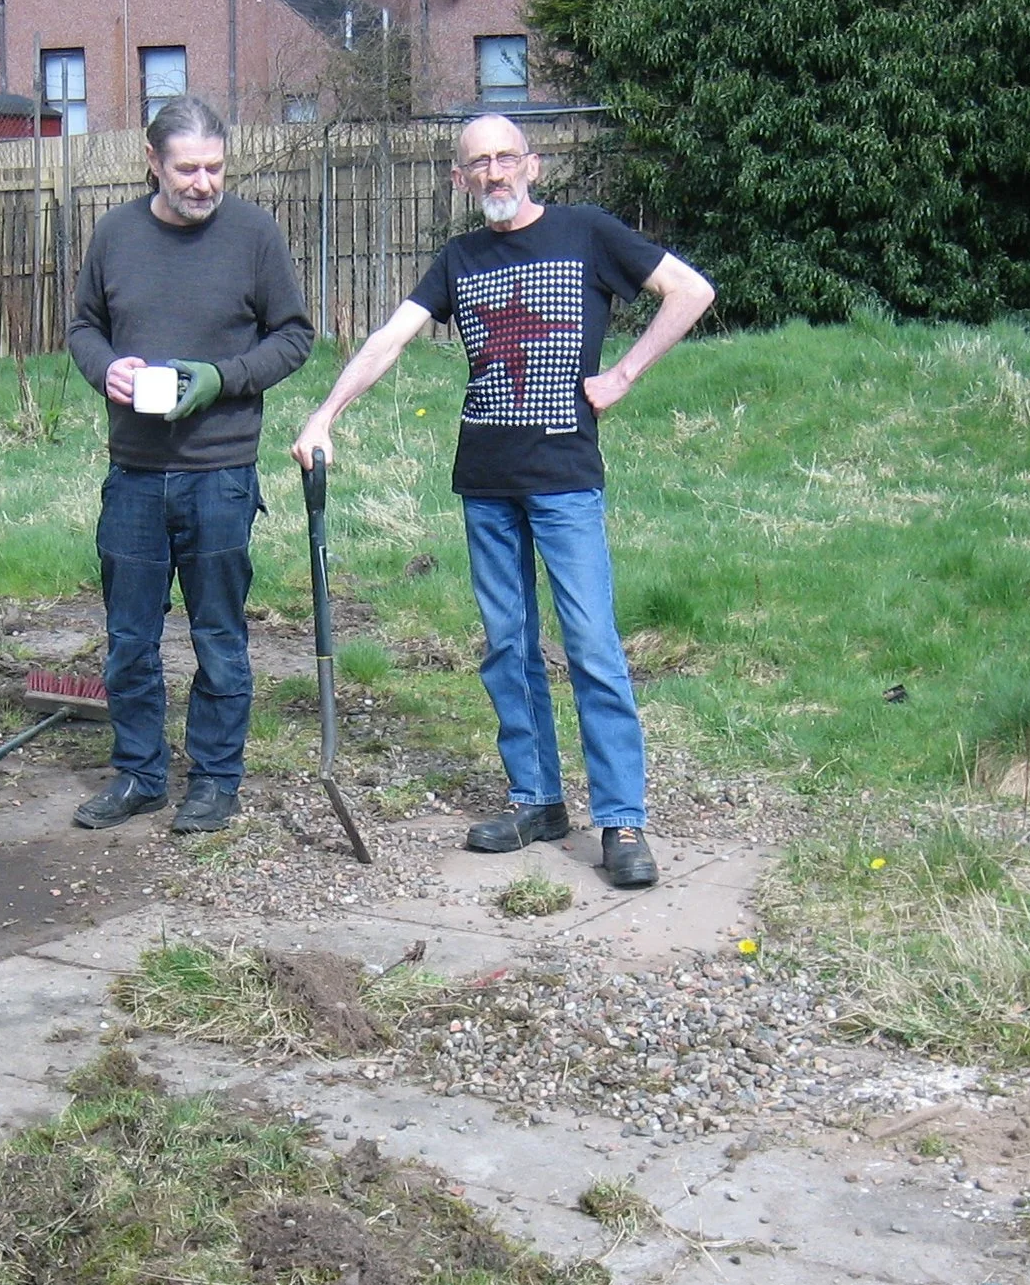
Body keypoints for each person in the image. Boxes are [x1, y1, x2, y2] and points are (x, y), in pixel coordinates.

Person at [291, 115, 714, 888]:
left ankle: (621, 818)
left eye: (505, 158)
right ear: (460, 179)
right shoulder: (459, 258)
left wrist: (622, 375)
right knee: (507, 645)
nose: (494, 172)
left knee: (591, 644)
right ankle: (536, 799)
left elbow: (691, 291)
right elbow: (389, 338)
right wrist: (325, 414)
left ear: (532, 165)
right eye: (478, 163)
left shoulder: (587, 233)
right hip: (485, 481)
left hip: (565, 479)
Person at [66, 95, 315, 833]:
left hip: (220, 473)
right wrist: (106, 369)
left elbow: (294, 336)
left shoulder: (254, 234)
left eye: (215, 168)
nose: (204, 183)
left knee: (219, 637)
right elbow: (83, 328)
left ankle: (214, 781)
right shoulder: (115, 234)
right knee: (129, 639)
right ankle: (139, 774)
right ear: (153, 162)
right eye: (187, 170)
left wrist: (222, 378)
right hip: (135, 473)